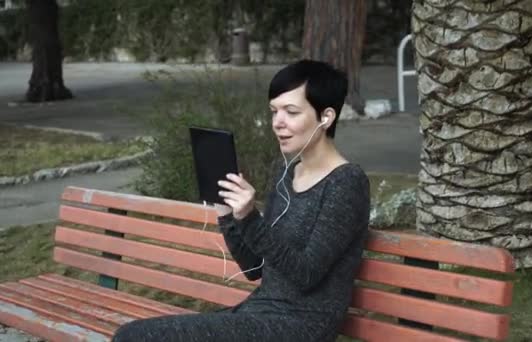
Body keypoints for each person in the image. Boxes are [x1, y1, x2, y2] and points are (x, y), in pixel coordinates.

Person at [111, 59, 370, 342]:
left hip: (301, 327)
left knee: (134, 337)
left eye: (291, 112)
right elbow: (254, 267)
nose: (277, 123)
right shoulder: (285, 171)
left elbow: (306, 274)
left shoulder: (346, 183)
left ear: (326, 117)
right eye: (274, 111)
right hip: (258, 315)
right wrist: (228, 214)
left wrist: (250, 217)